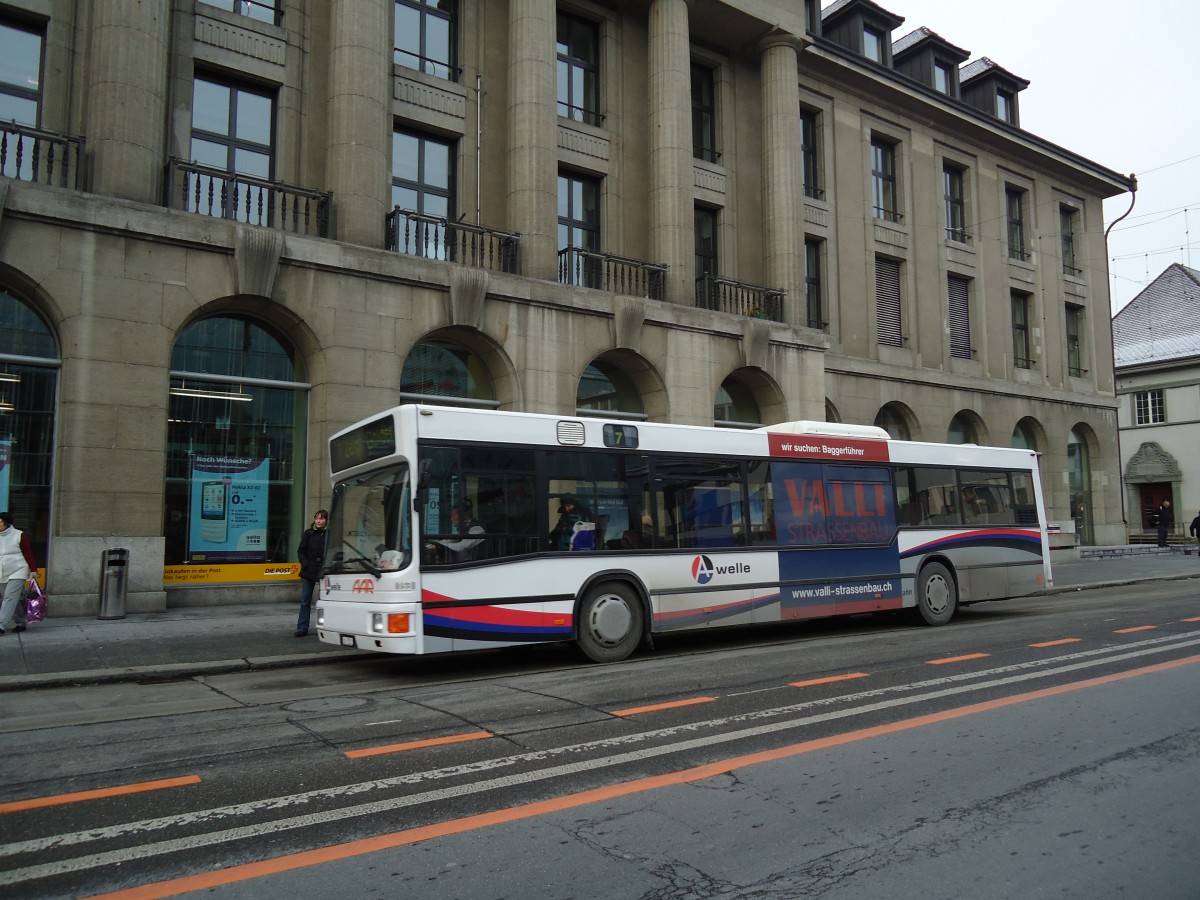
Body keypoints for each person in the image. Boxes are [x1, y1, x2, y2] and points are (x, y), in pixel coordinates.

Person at [0, 511, 37, 636]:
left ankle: (1, 625)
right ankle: (20, 622)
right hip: (1, 570)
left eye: (0, 522)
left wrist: (33, 569)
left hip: (18, 569)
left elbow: (27, 552)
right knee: (9, 598)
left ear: (6, 523)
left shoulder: (19, 535)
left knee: (9, 597)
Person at [295, 509, 327, 637]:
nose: (318, 521)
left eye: (321, 518)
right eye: (317, 518)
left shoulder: (329, 534)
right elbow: (301, 551)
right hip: (309, 570)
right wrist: (306, 563)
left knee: (325, 600)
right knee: (305, 600)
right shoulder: (309, 533)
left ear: (326, 520)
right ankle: (302, 627)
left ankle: (326, 626)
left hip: (323, 571)